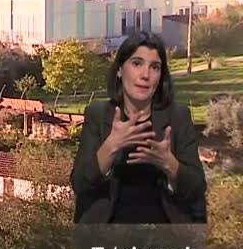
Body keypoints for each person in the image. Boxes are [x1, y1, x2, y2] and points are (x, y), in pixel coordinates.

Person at [71, 31, 206, 224]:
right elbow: (80, 183)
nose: (145, 75)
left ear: (161, 76)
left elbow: (197, 188)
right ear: (120, 70)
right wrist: (110, 147)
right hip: (108, 235)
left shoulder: (178, 117)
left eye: (155, 67)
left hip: (165, 235)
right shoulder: (98, 115)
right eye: (137, 64)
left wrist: (169, 163)